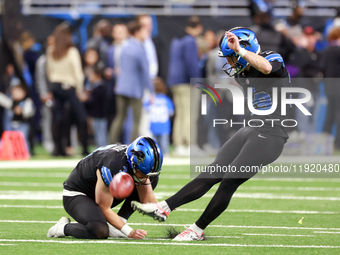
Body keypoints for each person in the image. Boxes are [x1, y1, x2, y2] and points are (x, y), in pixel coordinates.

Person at [131, 27, 291, 241]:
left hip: (271, 136)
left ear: (245, 48)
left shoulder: (270, 56)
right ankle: (165, 207)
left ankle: (197, 230)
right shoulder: (243, 73)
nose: (230, 63)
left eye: (231, 57)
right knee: (212, 172)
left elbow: (266, 67)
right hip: (253, 129)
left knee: (229, 181)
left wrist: (240, 51)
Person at [47, 136, 163, 239]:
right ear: (133, 162)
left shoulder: (134, 162)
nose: (145, 178)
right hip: (77, 194)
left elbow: (147, 200)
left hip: (101, 191)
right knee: (100, 230)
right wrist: (130, 232)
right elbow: (104, 207)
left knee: (149, 180)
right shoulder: (113, 165)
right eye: (142, 173)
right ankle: (61, 228)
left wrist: (166, 206)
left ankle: (118, 224)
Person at [46, 23, 88, 156]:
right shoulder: (72, 52)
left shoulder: (51, 51)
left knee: (58, 118)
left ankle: (58, 149)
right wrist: (80, 89)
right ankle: (85, 148)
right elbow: (78, 73)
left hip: (56, 87)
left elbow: (49, 72)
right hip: (70, 88)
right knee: (82, 117)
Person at [109, 20, 153, 144]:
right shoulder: (139, 48)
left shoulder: (124, 47)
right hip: (134, 89)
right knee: (136, 120)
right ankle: (132, 148)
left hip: (121, 87)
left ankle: (110, 145)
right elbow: (145, 72)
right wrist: (151, 91)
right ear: (137, 32)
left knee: (119, 117)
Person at [167, 16, 203, 156]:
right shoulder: (190, 41)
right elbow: (191, 63)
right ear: (198, 27)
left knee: (181, 114)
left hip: (175, 82)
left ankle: (179, 145)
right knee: (189, 114)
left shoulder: (177, 40)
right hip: (186, 82)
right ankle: (189, 144)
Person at [145, 77, 174, 156]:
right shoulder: (166, 100)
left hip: (153, 126)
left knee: (153, 147)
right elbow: (171, 112)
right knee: (165, 147)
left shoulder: (151, 100)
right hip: (164, 126)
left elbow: (145, 108)